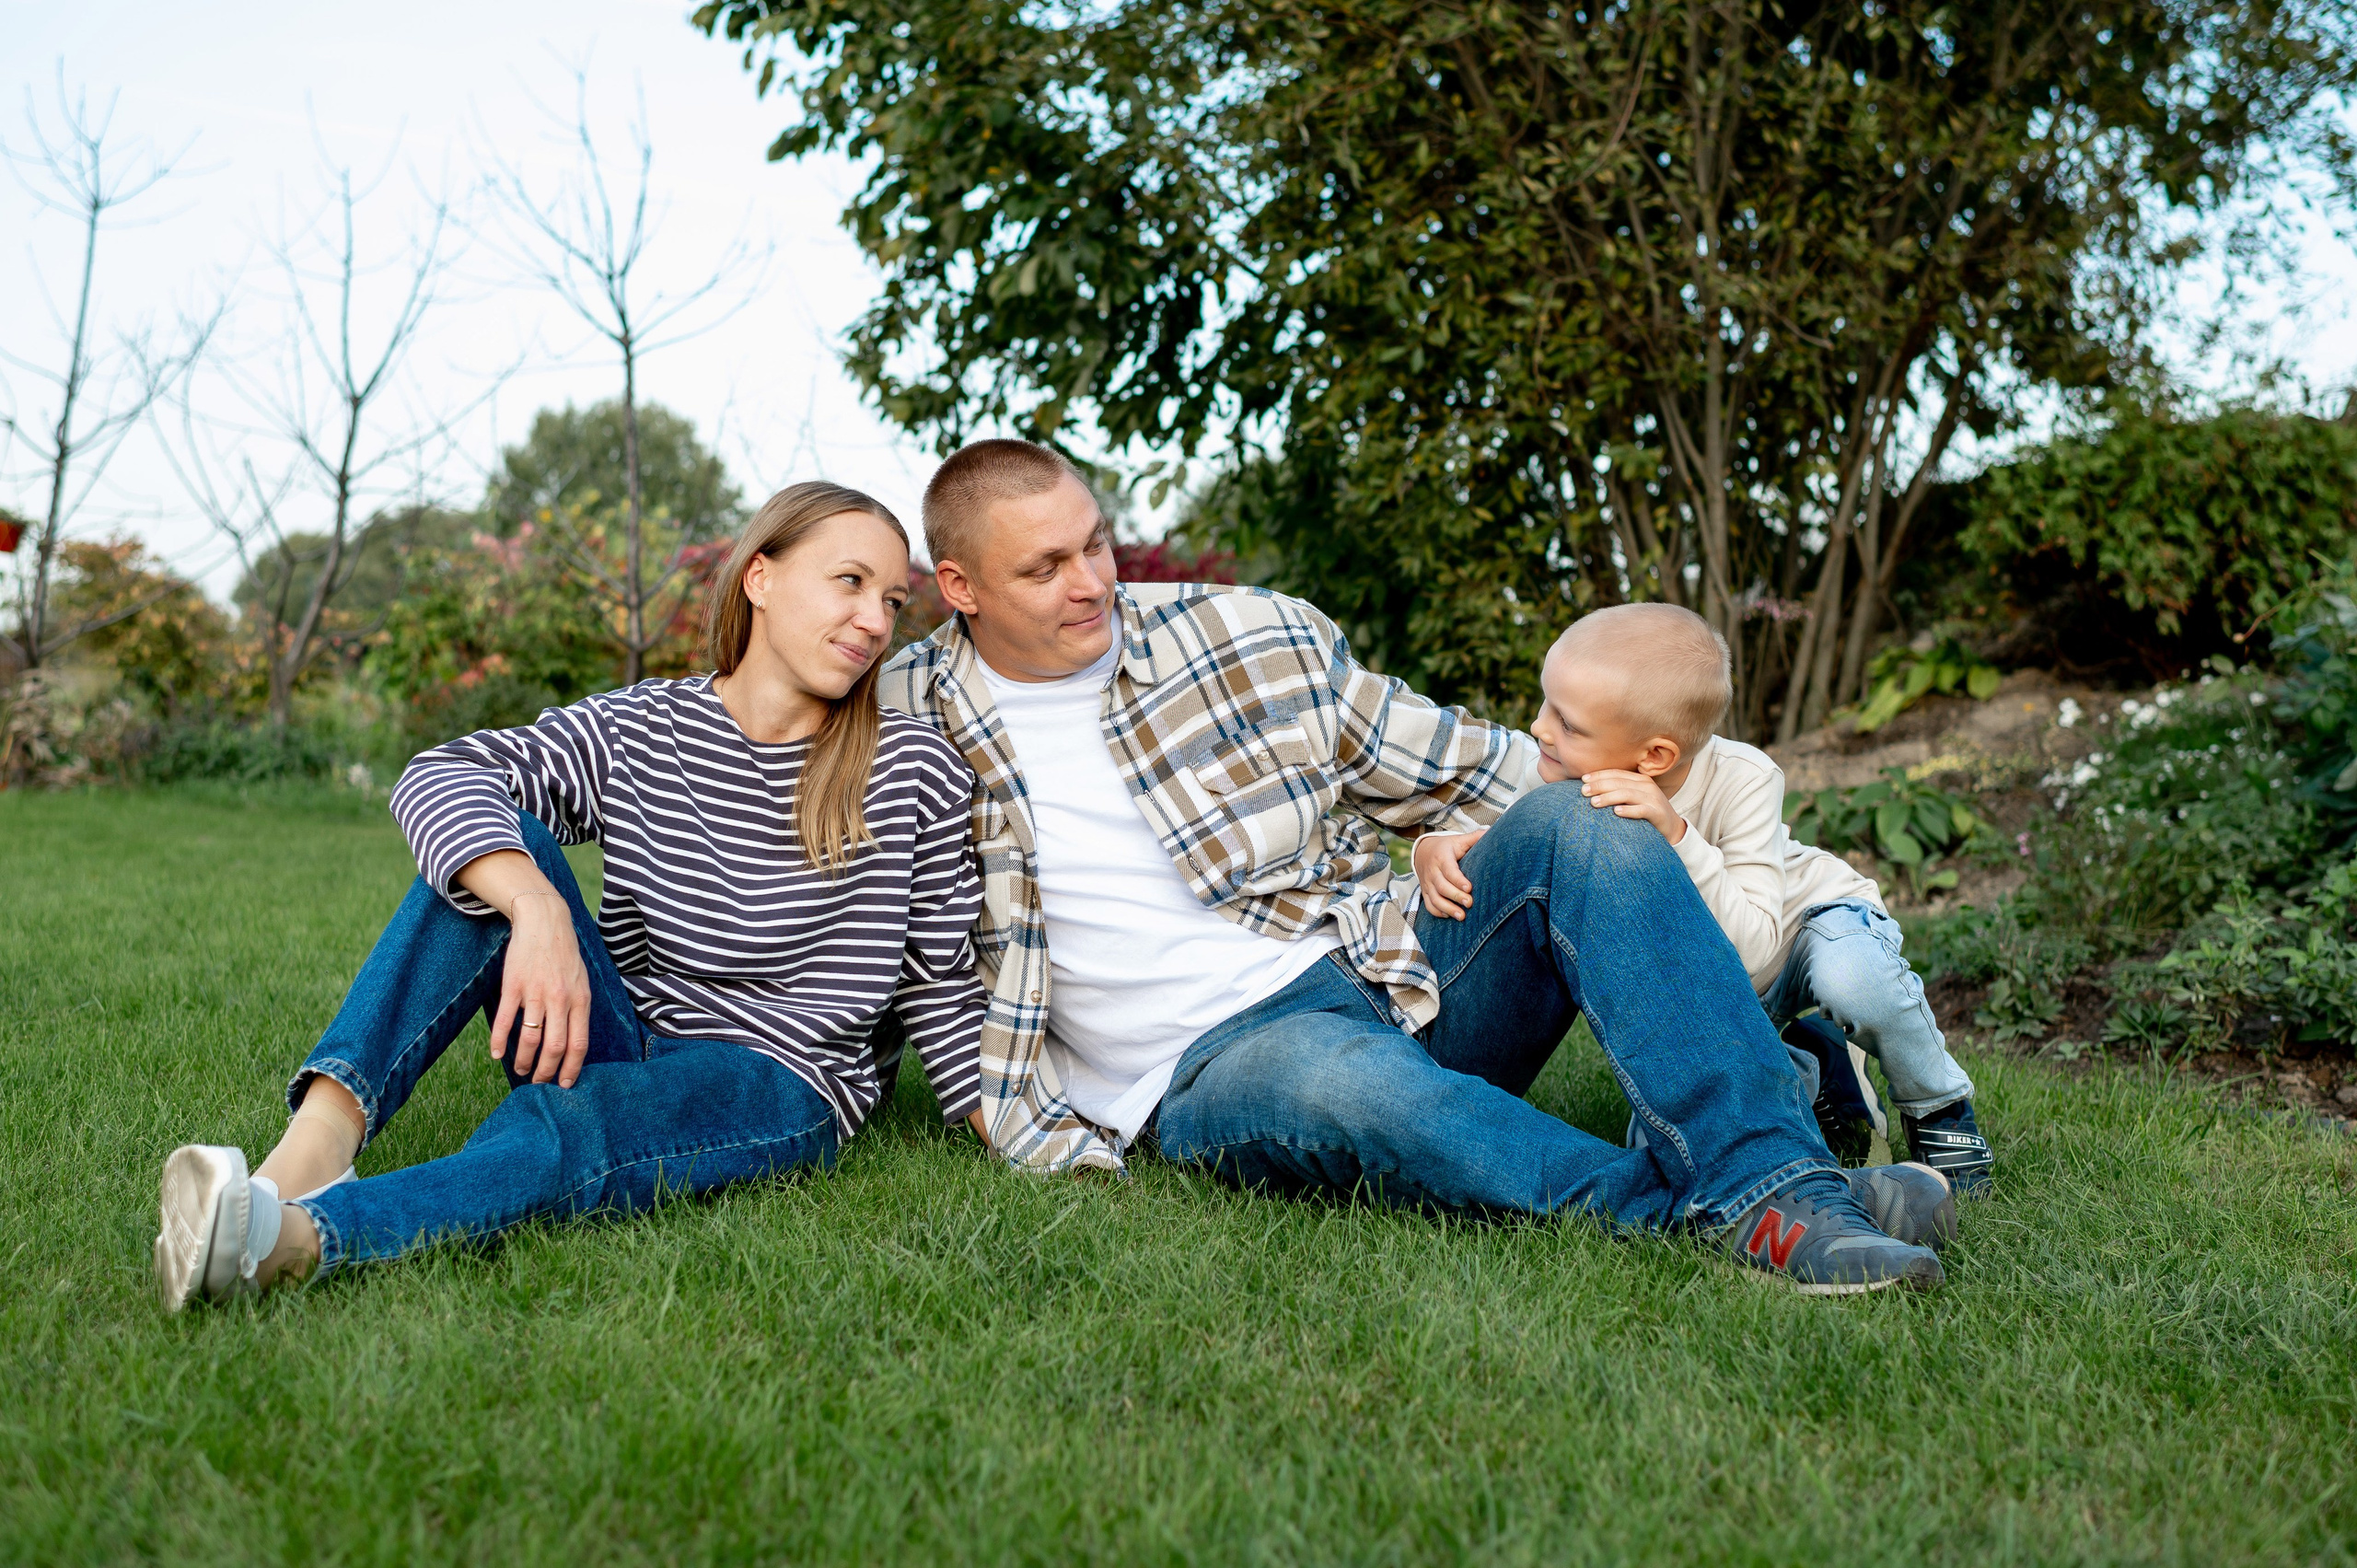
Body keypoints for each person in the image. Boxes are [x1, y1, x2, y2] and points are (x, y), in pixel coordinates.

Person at [879, 438, 1956, 1295]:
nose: (1093, 582)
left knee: (1580, 814)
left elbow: (1488, 766)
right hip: (1203, 1068)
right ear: (960, 585)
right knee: (1349, 1080)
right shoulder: (895, 720)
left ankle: (1774, 1179)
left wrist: (1756, 858)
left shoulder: (1245, 637)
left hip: (1383, 971)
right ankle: (1763, 1204)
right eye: (1045, 566)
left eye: (1096, 544)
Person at [153, 482, 988, 1309]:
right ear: (760, 579)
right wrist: (538, 906)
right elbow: (441, 775)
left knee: (572, 1124)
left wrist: (1019, 1127)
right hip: (618, 1028)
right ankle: (306, 1154)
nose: (877, 621)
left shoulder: (912, 768)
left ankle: (293, 1243)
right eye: (850, 582)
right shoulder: (644, 728)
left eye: (891, 599)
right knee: (493, 852)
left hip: (778, 1078)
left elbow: (940, 981)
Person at [1419, 603, 1991, 1193]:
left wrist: (1678, 836)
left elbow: (1755, 948)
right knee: (1677, 1149)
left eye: (1568, 723)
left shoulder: (1745, 777)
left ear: (1654, 756)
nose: (1539, 728)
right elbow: (1498, 847)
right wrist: (1433, 849)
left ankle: (1938, 1107)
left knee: (1858, 982)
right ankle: (1811, 1066)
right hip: (1702, 977)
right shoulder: (1556, 777)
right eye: (1545, 705)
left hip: (1800, 927)